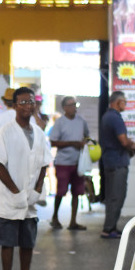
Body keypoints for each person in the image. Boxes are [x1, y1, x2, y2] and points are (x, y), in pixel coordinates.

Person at [0, 87, 52, 270]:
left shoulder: (40, 132)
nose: (28, 106)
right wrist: (15, 190)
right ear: (15, 105)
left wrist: (37, 188)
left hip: (30, 198)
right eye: (23, 102)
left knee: (27, 241)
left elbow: (44, 162)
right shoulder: (6, 131)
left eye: (31, 102)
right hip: (9, 196)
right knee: (8, 242)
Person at [48, 96, 89, 230]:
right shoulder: (60, 122)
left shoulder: (81, 121)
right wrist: (72, 143)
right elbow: (53, 142)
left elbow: (87, 136)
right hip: (63, 162)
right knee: (61, 191)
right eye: (71, 105)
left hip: (78, 162)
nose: (74, 108)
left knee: (77, 192)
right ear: (65, 108)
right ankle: (55, 217)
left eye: (75, 105)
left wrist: (84, 142)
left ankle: (73, 221)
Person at [99, 91, 135, 239]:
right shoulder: (115, 118)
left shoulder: (107, 116)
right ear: (118, 102)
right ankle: (108, 229)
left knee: (113, 196)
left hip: (110, 161)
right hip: (117, 163)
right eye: (124, 102)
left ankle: (111, 227)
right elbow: (124, 141)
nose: (125, 104)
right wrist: (131, 145)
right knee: (116, 196)